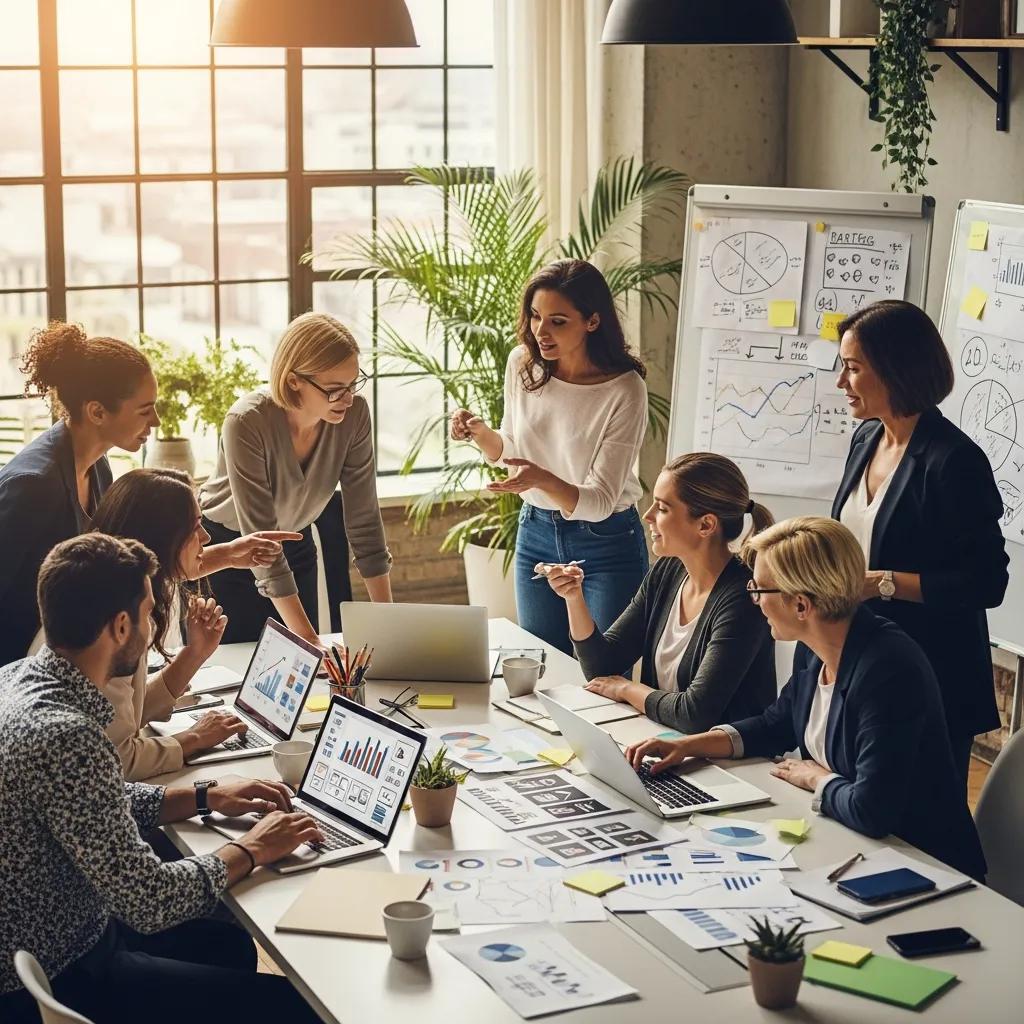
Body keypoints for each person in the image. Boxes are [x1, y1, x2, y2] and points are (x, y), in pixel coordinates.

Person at [0, 533, 325, 1024]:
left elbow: (85, 801)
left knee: (228, 943)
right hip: (70, 971)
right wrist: (255, 847)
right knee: (299, 1008)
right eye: (152, 613)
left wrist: (202, 795)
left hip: (53, 934)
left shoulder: (16, 679)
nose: (155, 626)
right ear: (121, 625)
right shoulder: (67, 735)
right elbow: (151, 901)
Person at [626, 516, 986, 881]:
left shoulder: (888, 669)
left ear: (801, 606)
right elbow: (775, 725)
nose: (753, 601)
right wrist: (690, 745)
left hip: (925, 869)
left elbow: (872, 810)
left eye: (759, 591)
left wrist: (816, 779)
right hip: (857, 848)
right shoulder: (817, 650)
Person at [831, 300, 1009, 790]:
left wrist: (880, 584)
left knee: (923, 823)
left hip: (932, 674)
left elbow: (987, 582)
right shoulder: (866, 437)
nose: (840, 383)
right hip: (863, 659)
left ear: (895, 368)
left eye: (852, 368)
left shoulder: (955, 462)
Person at [450, 259, 650, 653]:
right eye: (535, 316)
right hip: (536, 531)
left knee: (604, 676)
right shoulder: (522, 364)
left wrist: (541, 478)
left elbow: (600, 501)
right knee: (540, 667)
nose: (541, 331)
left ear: (592, 322)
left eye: (558, 321)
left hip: (607, 542)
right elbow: (512, 452)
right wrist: (480, 433)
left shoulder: (624, 390)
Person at [91, 468, 302, 780]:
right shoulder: (116, 623)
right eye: (196, 527)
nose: (206, 538)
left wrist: (193, 655)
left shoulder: (112, 586)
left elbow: (129, 715)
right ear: (164, 540)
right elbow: (115, 760)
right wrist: (194, 739)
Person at [544, 453, 776, 732]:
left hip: (727, 762)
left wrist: (628, 690)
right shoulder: (667, 571)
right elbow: (602, 668)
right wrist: (574, 597)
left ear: (706, 525)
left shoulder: (743, 597)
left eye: (663, 508)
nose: (647, 515)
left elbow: (694, 714)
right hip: (664, 740)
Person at [200, 312, 392, 645]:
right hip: (228, 554)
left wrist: (389, 623)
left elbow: (364, 520)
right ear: (293, 381)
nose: (347, 399)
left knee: (302, 681)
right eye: (334, 390)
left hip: (294, 543)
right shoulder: (246, 421)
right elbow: (259, 537)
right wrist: (310, 642)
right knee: (238, 674)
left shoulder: (354, 415)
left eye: (352, 384)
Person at [0, 322, 159, 665]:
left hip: (52, 664)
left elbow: (113, 569)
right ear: (97, 412)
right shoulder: (31, 485)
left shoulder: (99, 468)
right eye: (145, 411)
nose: (156, 421)